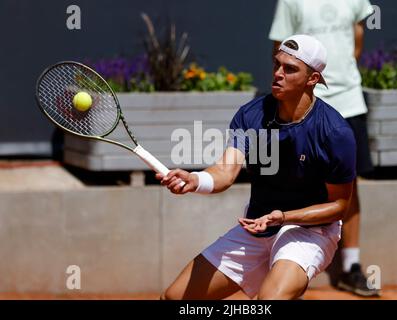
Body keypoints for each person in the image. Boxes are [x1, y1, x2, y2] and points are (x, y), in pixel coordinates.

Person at [156, 34, 357, 300]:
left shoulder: (335, 132)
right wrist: (196, 180)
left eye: (290, 69)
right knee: (174, 299)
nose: (278, 74)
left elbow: (340, 206)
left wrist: (284, 217)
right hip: (256, 225)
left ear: (313, 79)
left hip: (310, 232)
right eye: (277, 65)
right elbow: (225, 173)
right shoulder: (251, 115)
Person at [268, 0, 380, 297]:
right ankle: (288, 268)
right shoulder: (290, 2)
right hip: (305, 104)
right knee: (294, 177)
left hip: (349, 100)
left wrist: (339, 79)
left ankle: (351, 268)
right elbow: (281, 50)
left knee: (350, 184)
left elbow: (357, 40)